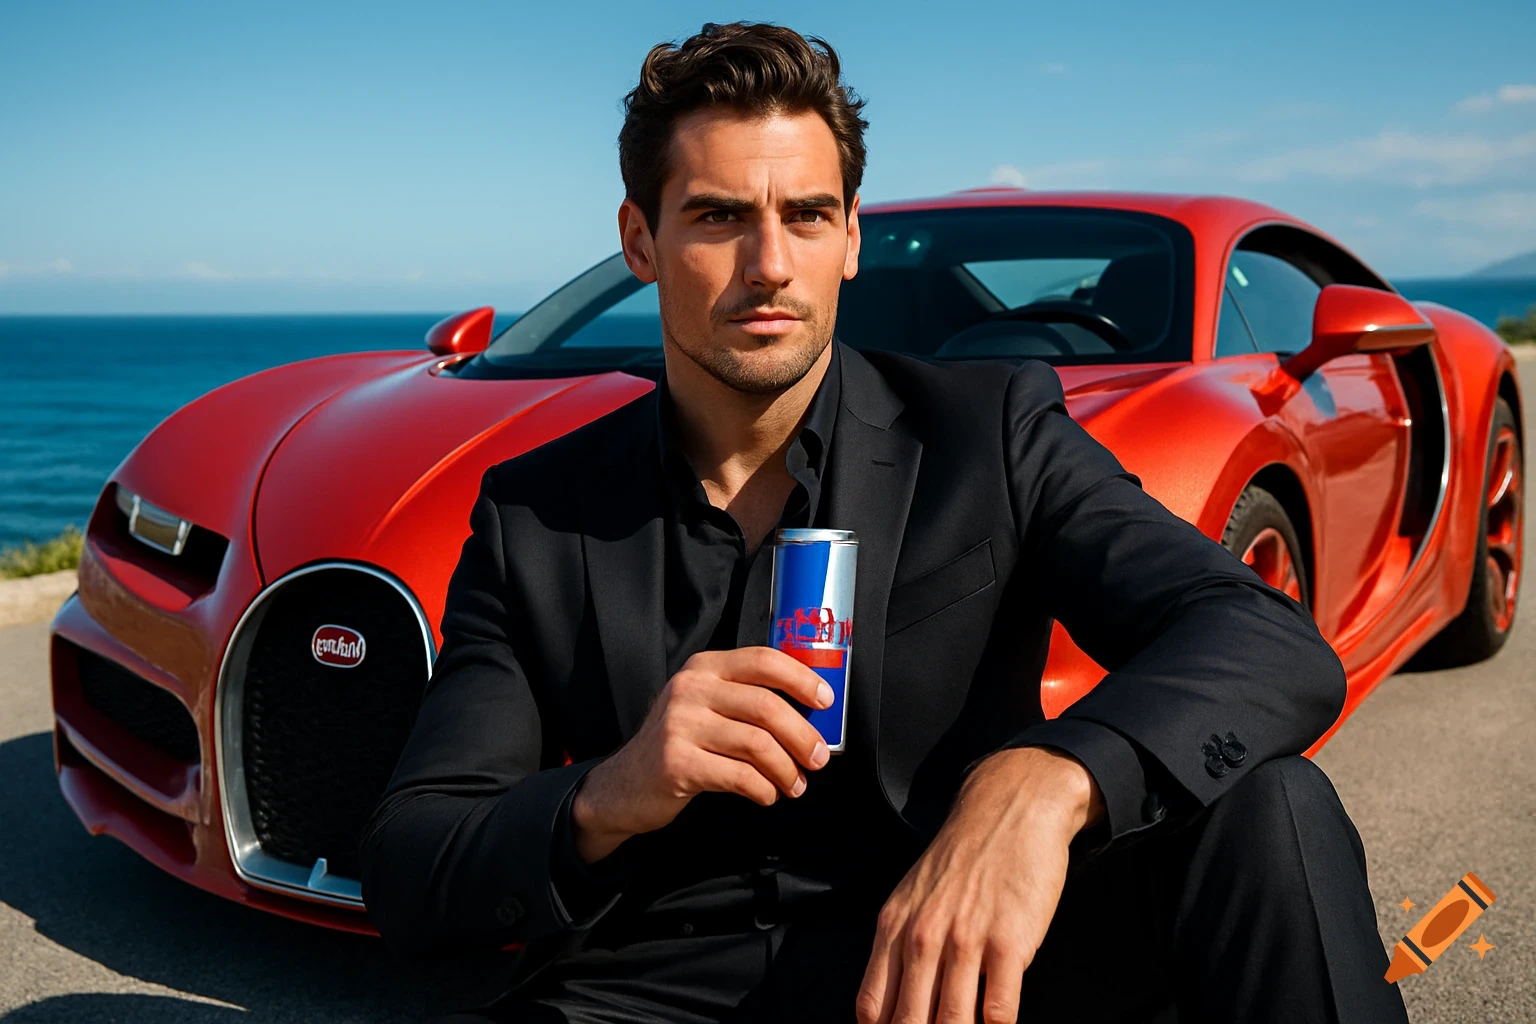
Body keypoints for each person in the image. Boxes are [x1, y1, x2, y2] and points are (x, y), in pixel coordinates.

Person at [359, 22, 1408, 1024]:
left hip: (964, 968)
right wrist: (611, 791)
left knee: (1271, 807)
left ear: (851, 238)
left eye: (808, 215)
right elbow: (412, 860)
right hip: (647, 986)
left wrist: (1052, 776)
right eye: (720, 216)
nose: (769, 263)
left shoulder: (990, 431)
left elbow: (1265, 637)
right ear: (641, 239)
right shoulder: (536, 510)